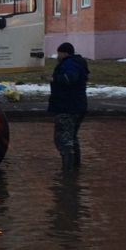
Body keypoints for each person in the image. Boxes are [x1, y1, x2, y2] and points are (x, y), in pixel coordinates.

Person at [47, 41, 89, 171]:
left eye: (58, 53)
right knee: (72, 138)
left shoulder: (69, 64)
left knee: (64, 140)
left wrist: (54, 79)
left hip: (67, 107)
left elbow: (69, 78)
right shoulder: (79, 62)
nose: (57, 56)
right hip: (78, 106)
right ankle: (76, 168)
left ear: (64, 53)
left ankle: (68, 173)